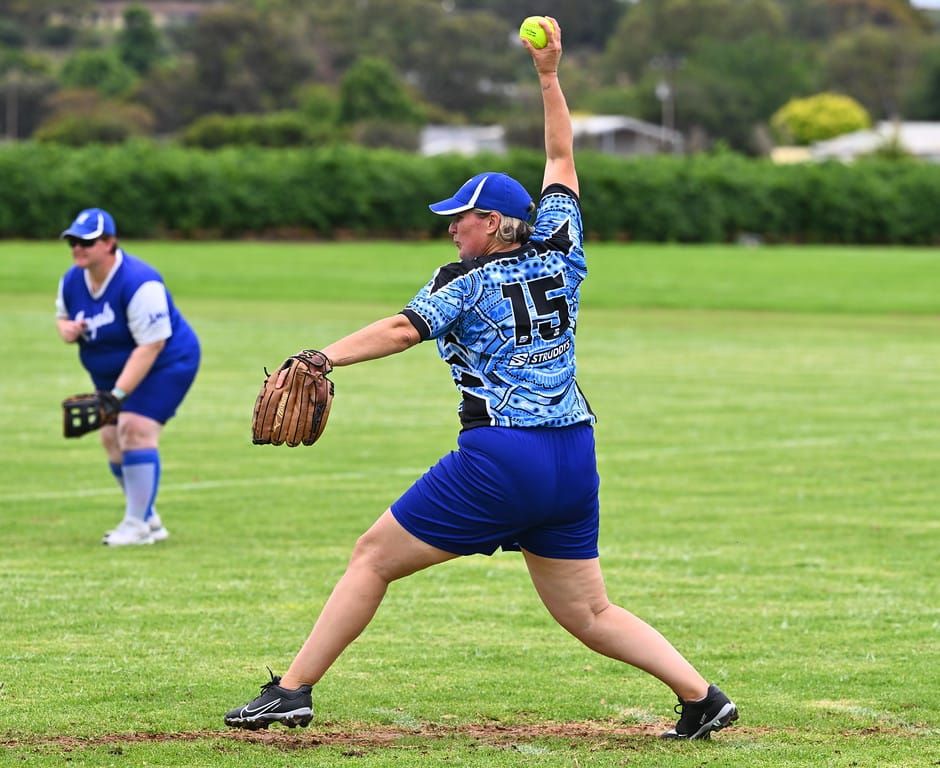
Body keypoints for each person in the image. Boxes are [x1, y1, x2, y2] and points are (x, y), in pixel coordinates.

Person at [224, 18, 738, 740]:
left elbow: (405, 328)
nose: (451, 231)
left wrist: (321, 356)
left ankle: (292, 690)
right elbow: (561, 156)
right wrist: (550, 77)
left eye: (461, 219)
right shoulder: (562, 247)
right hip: (572, 457)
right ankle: (702, 697)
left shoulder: (463, 282)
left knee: (372, 557)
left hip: (504, 457)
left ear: (495, 224)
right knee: (589, 612)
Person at [56, 207, 201, 546]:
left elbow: (152, 345)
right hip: (115, 367)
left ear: (109, 242)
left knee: (134, 429)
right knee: (110, 437)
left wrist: (117, 396)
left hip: (166, 361)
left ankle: (136, 524)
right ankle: (149, 518)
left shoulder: (139, 282)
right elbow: (62, 320)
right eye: (73, 241)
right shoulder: (72, 280)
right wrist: (69, 330)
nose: (78, 248)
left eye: (86, 241)